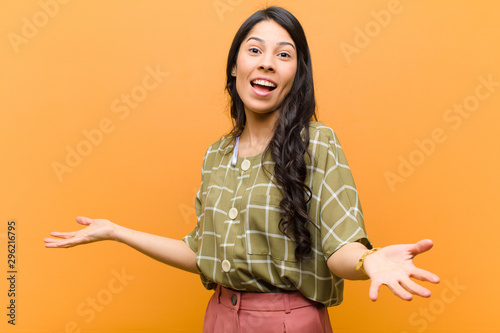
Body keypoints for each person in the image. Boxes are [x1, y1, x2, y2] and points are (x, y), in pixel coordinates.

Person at [44, 6, 440, 332]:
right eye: (255, 51)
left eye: (283, 55)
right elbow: (203, 254)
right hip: (218, 319)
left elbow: (339, 245)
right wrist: (116, 232)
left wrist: (368, 260)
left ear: (296, 77)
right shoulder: (216, 155)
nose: (267, 64)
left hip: (290, 323)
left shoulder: (317, 143)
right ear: (235, 67)